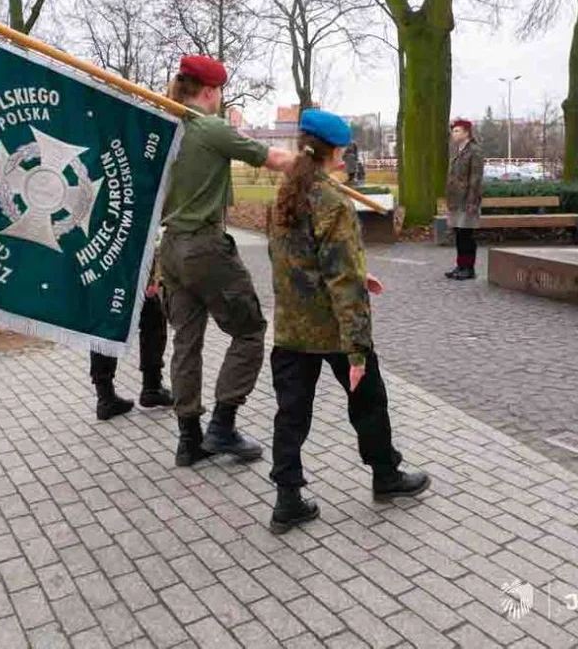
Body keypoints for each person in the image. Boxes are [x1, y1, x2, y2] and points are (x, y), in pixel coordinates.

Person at [266, 109, 430, 534]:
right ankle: (385, 475)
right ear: (336, 151)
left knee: (291, 414)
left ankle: (287, 498)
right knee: (369, 399)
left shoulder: (286, 192)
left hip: (290, 327)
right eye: (345, 149)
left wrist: (360, 272)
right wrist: (357, 349)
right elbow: (342, 280)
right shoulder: (333, 201)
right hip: (334, 330)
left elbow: (290, 260)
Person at [158, 54, 295, 467]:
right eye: (219, 91)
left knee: (186, 341)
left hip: (172, 249)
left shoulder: (166, 129)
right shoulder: (209, 127)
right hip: (204, 247)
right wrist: (314, 162)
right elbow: (272, 159)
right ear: (210, 91)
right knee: (250, 330)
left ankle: (189, 440)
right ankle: (222, 425)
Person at [90, 275, 173, 420]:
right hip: (124, 271)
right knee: (152, 314)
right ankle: (151, 386)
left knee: (106, 323)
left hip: (105, 275)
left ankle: (105, 395)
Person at [445, 118, 484, 280]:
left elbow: (475, 178)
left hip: (467, 200)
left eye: (457, 131)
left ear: (467, 132)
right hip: (456, 200)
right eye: (453, 131)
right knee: (459, 234)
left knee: (466, 234)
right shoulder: (458, 150)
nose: (454, 134)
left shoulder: (474, 151)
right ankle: (460, 265)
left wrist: (472, 202)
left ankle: (469, 268)